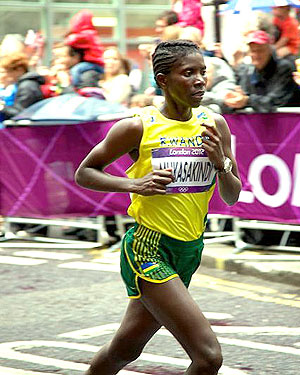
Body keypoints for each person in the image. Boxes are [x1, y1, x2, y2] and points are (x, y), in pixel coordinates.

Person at [75, 39, 242, 375]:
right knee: (208, 356)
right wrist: (133, 184)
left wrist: (220, 162)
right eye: (188, 73)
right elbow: (85, 172)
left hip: (190, 248)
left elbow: (232, 195)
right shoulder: (138, 126)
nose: (199, 80)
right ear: (163, 80)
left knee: (126, 347)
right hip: (149, 248)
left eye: (202, 72)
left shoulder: (214, 124)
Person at [224, 30, 300, 113]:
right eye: (253, 51)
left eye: (260, 50)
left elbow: (273, 102)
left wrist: (247, 101)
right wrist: (235, 100)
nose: (256, 55)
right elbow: (242, 96)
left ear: (270, 51)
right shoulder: (246, 71)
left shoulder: (283, 68)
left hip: (288, 121)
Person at [0, 52, 44, 120]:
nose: (1, 76)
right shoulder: (20, 85)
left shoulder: (27, 86)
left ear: (19, 70)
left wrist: (3, 108)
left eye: (3, 72)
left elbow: (22, 113)